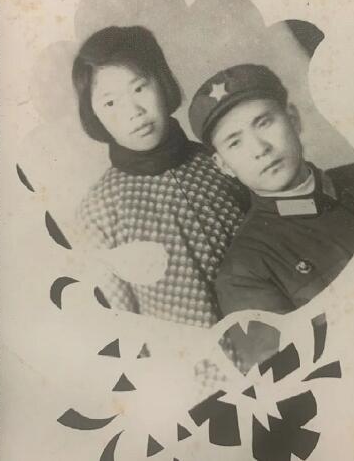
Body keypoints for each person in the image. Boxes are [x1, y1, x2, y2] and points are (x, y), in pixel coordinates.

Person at [72, 27, 249, 383]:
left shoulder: (221, 160)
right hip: (200, 384)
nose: (134, 112)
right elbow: (121, 329)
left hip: (276, 344)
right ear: (94, 115)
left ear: (163, 84)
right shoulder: (99, 211)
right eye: (110, 103)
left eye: (139, 88)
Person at [189, 63, 354, 371]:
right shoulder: (245, 274)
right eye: (235, 142)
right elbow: (296, 382)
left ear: (294, 119)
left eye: (264, 123)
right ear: (223, 165)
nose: (260, 149)